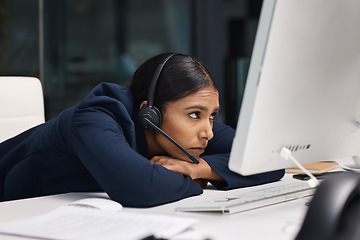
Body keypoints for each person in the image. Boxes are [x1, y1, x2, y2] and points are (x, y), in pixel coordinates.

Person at [0, 53, 284, 207]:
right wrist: (191, 182)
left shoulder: (189, 133)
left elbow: (270, 160)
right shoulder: (94, 117)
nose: (207, 131)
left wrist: (201, 170)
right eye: (194, 114)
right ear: (150, 113)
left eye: (212, 116)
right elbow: (141, 188)